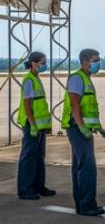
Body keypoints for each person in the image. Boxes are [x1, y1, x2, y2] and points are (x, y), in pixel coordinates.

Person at [61, 48, 105, 216]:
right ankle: (87, 205)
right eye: (95, 60)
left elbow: (89, 109)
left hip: (84, 128)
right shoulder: (77, 78)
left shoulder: (86, 79)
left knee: (80, 166)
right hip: (77, 128)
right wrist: (81, 126)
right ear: (84, 61)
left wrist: (99, 128)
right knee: (87, 167)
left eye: (98, 60)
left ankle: (82, 203)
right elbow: (75, 104)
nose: (98, 63)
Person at [17, 51, 56, 200]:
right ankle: (25, 189)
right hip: (32, 126)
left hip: (40, 126)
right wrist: (32, 124)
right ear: (33, 63)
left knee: (39, 156)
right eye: (42, 63)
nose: (44, 65)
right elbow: (27, 105)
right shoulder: (28, 80)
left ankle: (39, 186)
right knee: (28, 157)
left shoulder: (36, 78)